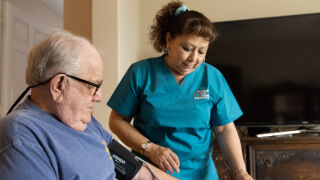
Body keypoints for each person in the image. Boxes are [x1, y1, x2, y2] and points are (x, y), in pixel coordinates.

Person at [0, 29, 178, 180]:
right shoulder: (21, 136)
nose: (99, 97)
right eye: (93, 86)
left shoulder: (85, 122)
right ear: (59, 85)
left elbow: (137, 172)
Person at [107, 1, 254, 180]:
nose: (193, 58)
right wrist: (150, 148)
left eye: (201, 51)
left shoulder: (212, 77)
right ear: (169, 40)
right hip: (152, 172)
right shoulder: (141, 73)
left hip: (201, 174)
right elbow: (117, 121)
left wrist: (240, 171)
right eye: (187, 48)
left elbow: (224, 129)